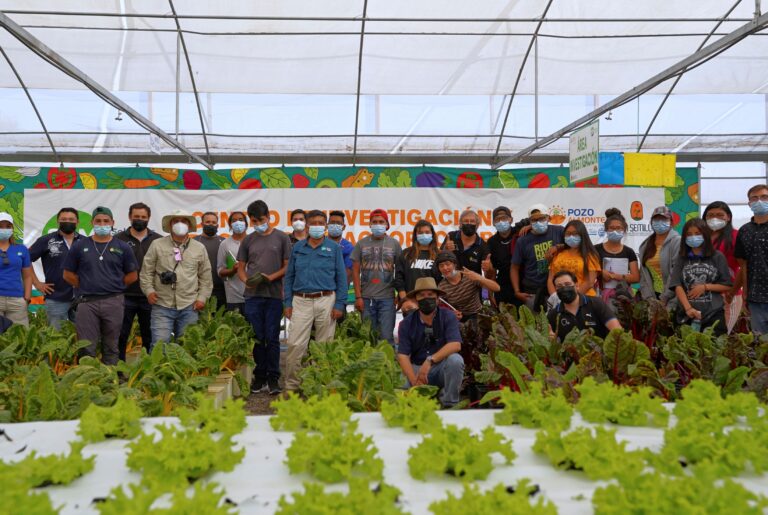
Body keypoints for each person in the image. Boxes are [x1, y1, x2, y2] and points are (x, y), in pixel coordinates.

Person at [63, 207, 138, 365]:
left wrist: (114, 285)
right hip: (86, 303)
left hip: (113, 301)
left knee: (111, 345)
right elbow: (68, 274)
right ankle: (86, 381)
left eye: (106, 221)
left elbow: (132, 275)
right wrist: (85, 285)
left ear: (112, 223)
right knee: (86, 346)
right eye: (98, 221)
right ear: (92, 223)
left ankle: (109, 380)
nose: (102, 224)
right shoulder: (80, 245)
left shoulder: (123, 247)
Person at [283, 210, 347, 392]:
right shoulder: (297, 248)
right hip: (300, 301)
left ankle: (320, 387)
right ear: (307, 226)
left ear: (325, 226)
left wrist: (339, 304)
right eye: (313, 223)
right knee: (295, 345)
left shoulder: (334, 248)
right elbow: (289, 277)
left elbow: (341, 279)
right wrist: (287, 303)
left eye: (321, 223)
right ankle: (292, 387)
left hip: (326, 300)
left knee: (323, 347)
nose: (317, 226)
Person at [237, 200, 291, 395]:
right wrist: (246, 281)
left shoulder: (282, 238)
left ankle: (273, 378)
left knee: (272, 338)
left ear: (269, 216)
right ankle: (259, 377)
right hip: (252, 296)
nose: (258, 223)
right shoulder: (248, 240)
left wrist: (272, 277)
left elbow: (287, 267)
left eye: (261, 219)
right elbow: (241, 268)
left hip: (274, 296)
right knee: (257, 338)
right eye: (254, 221)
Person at [140, 210, 212, 348]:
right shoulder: (157, 244)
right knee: (159, 346)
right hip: (161, 304)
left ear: (189, 225)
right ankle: (158, 370)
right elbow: (146, 272)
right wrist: (149, 291)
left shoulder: (199, 248)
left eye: (184, 221)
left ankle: (184, 371)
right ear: (170, 224)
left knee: (188, 347)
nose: (180, 224)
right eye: (176, 221)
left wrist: (202, 298)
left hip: (190, 306)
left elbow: (205, 277)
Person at [396, 277, 464, 408]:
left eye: (430, 295)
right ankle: (418, 397)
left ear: (438, 299)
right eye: (421, 295)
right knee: (400, 382)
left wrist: (430, 361)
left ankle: (450, 403)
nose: (426, 298)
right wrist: (414, 380)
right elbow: (403, 355)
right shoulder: (406, 324)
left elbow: (455, 344)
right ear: (416, 299)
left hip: (439, 368)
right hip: (417, 369)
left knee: (456, 360)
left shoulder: (448, 316)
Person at [669, 218, 732, 336]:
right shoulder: (682, 257)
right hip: (687, 314)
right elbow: (676, 285)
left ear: (705, 234)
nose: (693, 237)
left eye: (697, 233)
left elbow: (726, 285)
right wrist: (688, 309)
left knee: (714, 350)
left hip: (713, 314)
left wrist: (705, 287)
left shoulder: (718, 256)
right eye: (689, 234)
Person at [116, 202, 162, 359]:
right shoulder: (118, 239)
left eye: (143, 217)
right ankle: (118, 371)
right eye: (136, 217)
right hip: (124, 296)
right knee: (121, 336)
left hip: (150, 297)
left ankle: (149, 372)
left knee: (150, 337)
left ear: (149, 218)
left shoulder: (159, 240)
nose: (140, 219)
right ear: (129, 217)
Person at [351, 208, 402, 346]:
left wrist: (399, 294)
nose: (378, 224)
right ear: (369, 224)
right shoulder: (361, 244)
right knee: (368, 338)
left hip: (387, 299)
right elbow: (355, 271)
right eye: (374, 222)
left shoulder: (394, 244)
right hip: (366, 299)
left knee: (386, 338)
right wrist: (358, 297)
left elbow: (400, 271)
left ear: (387, 224)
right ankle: (369, 366)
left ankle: (389, 366)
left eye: (381, 221)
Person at [29, 207, 81, 329]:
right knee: (55, 337)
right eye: (63, 219)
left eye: (71, 219)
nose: (67, 221)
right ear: (57, 221)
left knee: (81, 338)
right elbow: (26, 260)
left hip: (82, 298)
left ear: (77, 222)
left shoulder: (85, 241)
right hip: (56, 297)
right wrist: (37, 283)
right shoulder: (46, 240)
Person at [511, 203, 565, 312]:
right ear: (529, 221)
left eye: (542, 218)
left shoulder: (559, 231)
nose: (538, 222)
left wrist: (558, 247)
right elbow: (514, 267)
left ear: (548, 218)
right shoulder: (523, 240)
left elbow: (575, 244)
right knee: (533, 326)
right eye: (534, 220)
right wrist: (517, 291)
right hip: (532, 292)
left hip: (558, 288)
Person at [547, 270, 622, 342]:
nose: (564, 288)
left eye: (568, 284)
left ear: (577, 286)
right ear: (556, 290)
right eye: (559, 286)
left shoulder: (596, 303)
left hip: (599, 353)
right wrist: (552, 342)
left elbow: (617, 331)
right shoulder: (553, 315)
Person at [703, 201, 741, 333]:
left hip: (729, 295)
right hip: (705, 295)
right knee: (705, 337)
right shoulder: (700, 237)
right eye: (710, 215)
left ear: (728, 217)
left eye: (720, 215)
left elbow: (744, 267)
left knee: (722, 335)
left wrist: (731, 292)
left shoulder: (736, 236)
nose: (715, 218)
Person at [735, 184, 768, 334]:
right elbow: (744, 265)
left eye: (764, 197)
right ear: (749, 204)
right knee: (760, 344)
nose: (759, 201)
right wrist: (745, 294)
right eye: (754, 198)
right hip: (756, 298)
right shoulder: (744, 231)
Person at [435, 250, 500, 323]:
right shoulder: (442, 286)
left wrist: (479, 277)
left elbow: (497, 288)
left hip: (477, 315)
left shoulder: (468, 276)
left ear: (454, 264)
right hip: (460, 319)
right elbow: (442, 308)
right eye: (441, 266)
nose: (445, 268)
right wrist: (452, 314)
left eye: (448, 264)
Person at [395, 220, 441, 315]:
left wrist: (436, 301)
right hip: (410, 302)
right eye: (420, 232)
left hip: (433, 302)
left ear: (432, 234)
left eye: (427, 232)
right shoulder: (406, 254)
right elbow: (399, 280)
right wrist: (405, 300)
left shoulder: (439, 254)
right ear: (415, 235)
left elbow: (442, 281)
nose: (424, 235)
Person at [486, 206, 529, 308]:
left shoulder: (520, 231)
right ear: (493, 223)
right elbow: (492, 272)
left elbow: (536, 220)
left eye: (504, 218)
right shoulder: (491, 242)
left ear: (511, 220)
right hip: (503, 284)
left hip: (525, 281)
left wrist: (530, 226)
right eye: (497, 219)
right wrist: (490, 294)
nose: (501, 221)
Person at [638, 206, 681, 307]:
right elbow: (644, 275)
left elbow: (676, 272)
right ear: (651, 222)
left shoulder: (677, 241)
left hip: (673, 297)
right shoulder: (646, 244)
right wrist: (649, 298)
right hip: (652, 298)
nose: (659, 222)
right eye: (656, 219)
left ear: (671, 221)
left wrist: (664, 298)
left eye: (664, 219)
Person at [595, 209, 640, 304]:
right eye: (611, 228)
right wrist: (600, 272)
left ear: (624, 230)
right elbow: (587, 270)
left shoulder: (629, 252)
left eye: (618, 228)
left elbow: (636, 277)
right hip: (600, 296)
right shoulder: (595, 249)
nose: (615, 231)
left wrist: (614, 276)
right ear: (606, 229)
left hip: (624, 296)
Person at [548, 219, 601, 298]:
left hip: (584, 299)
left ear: (582, 235)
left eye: (575, 234)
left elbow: (589, 282)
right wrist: (555, 297)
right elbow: (550, 279)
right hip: (559, 299)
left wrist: (572, 298)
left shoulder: (590, 256)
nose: (571, 236)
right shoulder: (558, 254)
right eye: (568, 234)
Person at [0, 213, 32, 327]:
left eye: (8, 226)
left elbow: (27, 276)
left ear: (12, 229)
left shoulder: (21, 249)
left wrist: (27, 297)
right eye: (1, 226)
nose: (4, 229)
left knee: (20, 337)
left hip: (17, 300)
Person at [440, 209, 491, 276]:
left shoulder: (483, 245)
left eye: (472, 221)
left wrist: (488, 269)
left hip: (472, 284)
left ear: (477, 225)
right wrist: (445, 250)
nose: (469, 223)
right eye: (466, 221)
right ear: (460, 224)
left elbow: (489, 276)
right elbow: (439, 259)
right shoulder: (451, 236)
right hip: (450, 281)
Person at [217, 211, 248, 315]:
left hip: (253, 295)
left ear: (246, 223)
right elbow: (220, 271)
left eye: (240, 220)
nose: (237, 223)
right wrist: (233, 270)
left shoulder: (254, 241)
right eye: (234, 220)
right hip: (233, 297)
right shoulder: (224, 244)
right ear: (230, 225)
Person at [198, 211, 226, 310]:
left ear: (218, 225)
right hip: (199, 291)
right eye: (208, 222)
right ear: (202, 224)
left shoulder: (224, 242)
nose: (211, 224)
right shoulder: (193, 242)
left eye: (214, 223)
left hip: (222, 290)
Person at [327, 210, 354, 285]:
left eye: (338, 223)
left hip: (339, 289)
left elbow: (347, 274)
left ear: (344, 227)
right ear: (327, 225)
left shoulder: (349, 247)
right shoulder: (319, 243)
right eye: (332, 222)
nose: (335, 225)